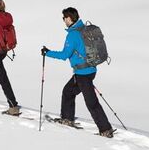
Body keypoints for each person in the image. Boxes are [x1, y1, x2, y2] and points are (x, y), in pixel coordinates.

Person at [41, 7, 115, 138]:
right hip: (89, 70)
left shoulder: (73, 34)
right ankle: (67, 119)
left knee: (91, 102)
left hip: (83, 73)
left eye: (64, 18)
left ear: (69, 18)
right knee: (68, 92)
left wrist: (48, 53)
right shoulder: (83, 29)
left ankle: (105, 129)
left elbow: (65, 55)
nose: (63, 21)